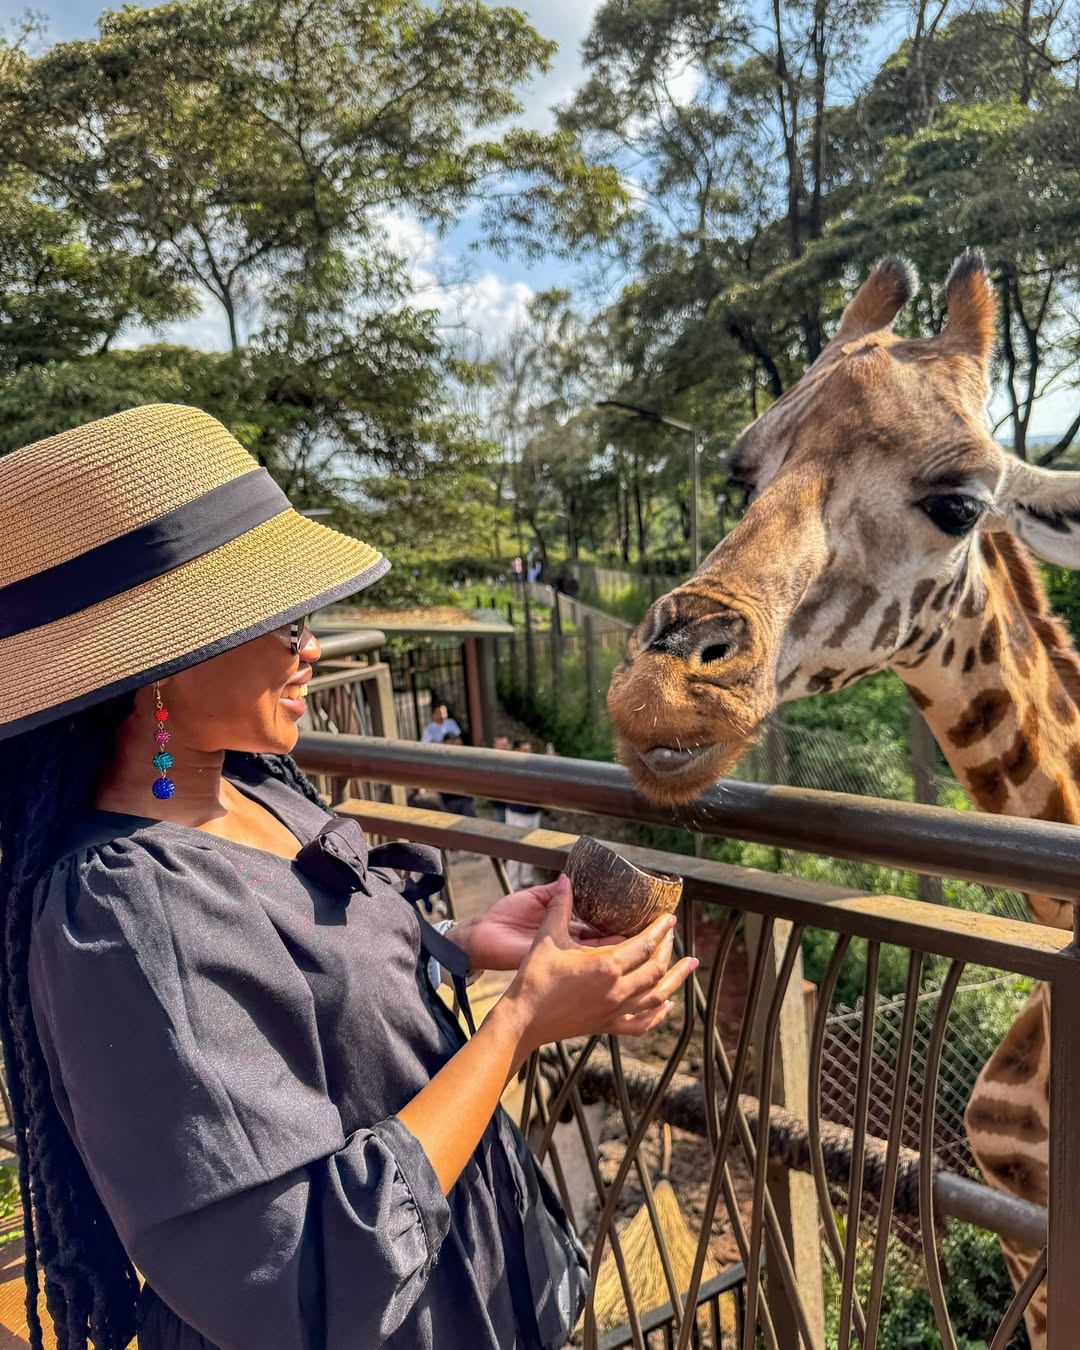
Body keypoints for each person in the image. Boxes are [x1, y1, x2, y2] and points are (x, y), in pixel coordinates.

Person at [0, 406, 696, 1350]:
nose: (310, 645)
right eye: (279, 621)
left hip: (475, 1287)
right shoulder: (122, 914)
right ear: (156, 664)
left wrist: (463, 946)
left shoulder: (252, 791)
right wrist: (520, 1024)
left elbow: (313, 983)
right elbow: (292, 1278)